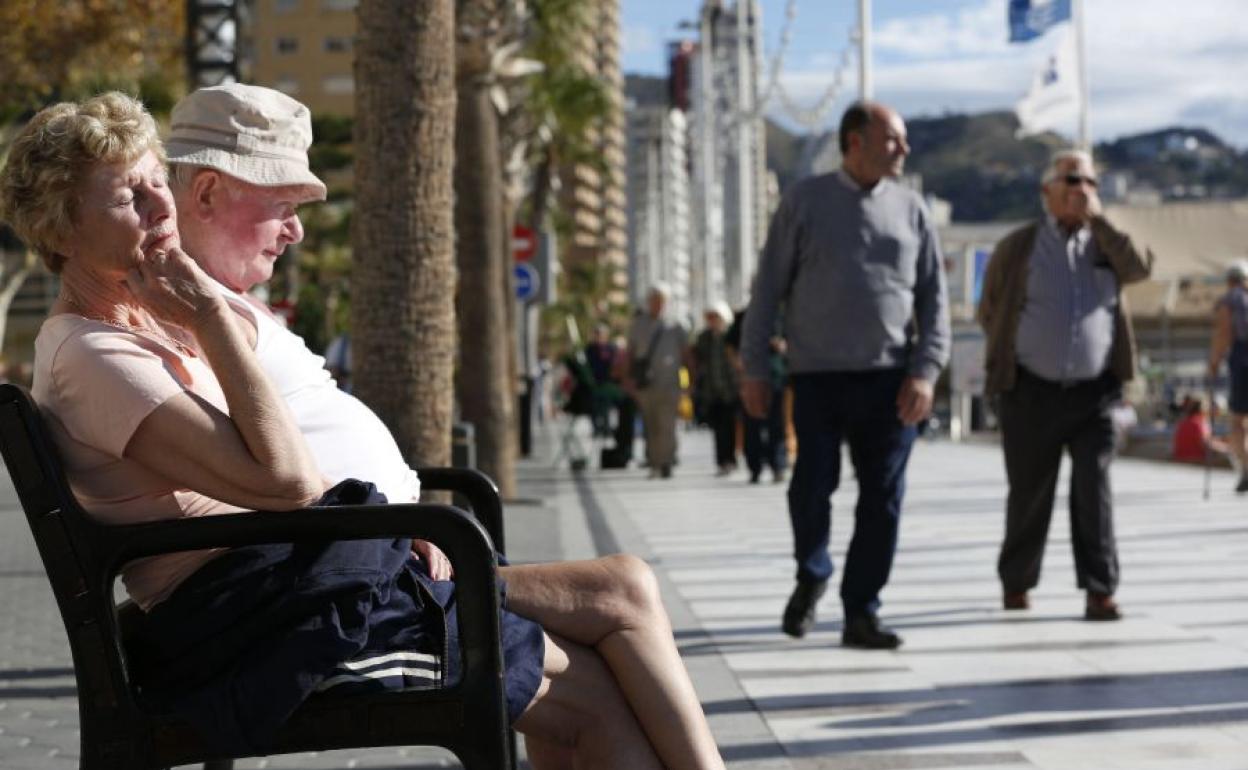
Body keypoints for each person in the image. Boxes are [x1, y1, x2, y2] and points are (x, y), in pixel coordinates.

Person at [2, 91, 725, 769]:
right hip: (266, 632)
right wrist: (211, 315)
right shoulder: (95, 356)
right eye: (132, 194)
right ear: (63, 228)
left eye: (159, 179)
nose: (163, 203)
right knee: (592, 697)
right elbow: (285, 481)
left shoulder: (138, 325)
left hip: (292, 594)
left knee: (594, 674)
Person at [741, 101, 950, 650]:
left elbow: (934, 299)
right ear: (854, 142)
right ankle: (812, 573)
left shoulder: (912, 209)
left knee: (883, 499)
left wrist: (926, 372)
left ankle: (862, 610)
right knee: (812, 485)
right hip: (817, 377)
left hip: (891, 380)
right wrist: (755, 369)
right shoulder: (804, 202)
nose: (903, 149)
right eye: (893, 139)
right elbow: (766, 293)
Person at [978, 148, 1153, 622]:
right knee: (1029, 492)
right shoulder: (1019, 247)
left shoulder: (1107, 245)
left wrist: (1102, 223)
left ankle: (1100, 589)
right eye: (1073, 180)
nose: (1083, 190)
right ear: (1047, 190)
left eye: (1091, 182)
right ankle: (1017, 581)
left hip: (1094, 391)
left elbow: (1140, 268)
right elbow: (989, 309)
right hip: (1030, 389)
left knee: (1093, 490)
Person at [623, 283, 689, 479]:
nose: (657, 304)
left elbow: (687, 356)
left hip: (670, 383)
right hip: (646, 384)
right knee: (650, 425)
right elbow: (630, 354)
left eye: (661, 300)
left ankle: (667, 460)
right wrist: (628, 379)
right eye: (654, 300)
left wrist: (690, 382)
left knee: (667, 424)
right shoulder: (638, 324)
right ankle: (654, 461)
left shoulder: (676, 325)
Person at [727, 304, 788, 484]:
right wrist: (738, 364)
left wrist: (783, 345)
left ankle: (778, 465)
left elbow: (794, 339)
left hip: (776, 377)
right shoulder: (744, 316)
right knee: (752, 425)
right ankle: (755, 468)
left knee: (777, 425)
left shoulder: (783, 315)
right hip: (750, 377)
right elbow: (730, 344)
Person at [1208, 259, 1248, 491]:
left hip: (1243, 361)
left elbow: (1224, 333)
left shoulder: (1230, 301)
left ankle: (1245, 468)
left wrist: (1214, 362)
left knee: (1238, 420)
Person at [691, 301, 739, 475]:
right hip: (711, 391)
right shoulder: (704, 338)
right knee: (718, 428)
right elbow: (696, 359)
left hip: (730, 389)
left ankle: (730, 459)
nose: (713, 320)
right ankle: (721, 461)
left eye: (715, 317)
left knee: (730, 427)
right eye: (710, 317)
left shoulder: (730, 335)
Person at [583, 322, 619, 437]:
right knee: (593, 406)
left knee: (606, 406)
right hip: (594, 382)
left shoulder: (611, 348)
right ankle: (596, 428)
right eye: (597, 334)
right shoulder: (590, 349)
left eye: (601, 334)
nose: (599, 336)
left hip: (607, 382)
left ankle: (606, 428)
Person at [1171, 395, 1226, 464]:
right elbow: (1205, 444)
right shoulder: (1200, 422)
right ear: (1203, 409)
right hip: (1195, 461)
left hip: (1179, 460)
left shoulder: (1183, 422)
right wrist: (1225, 448)